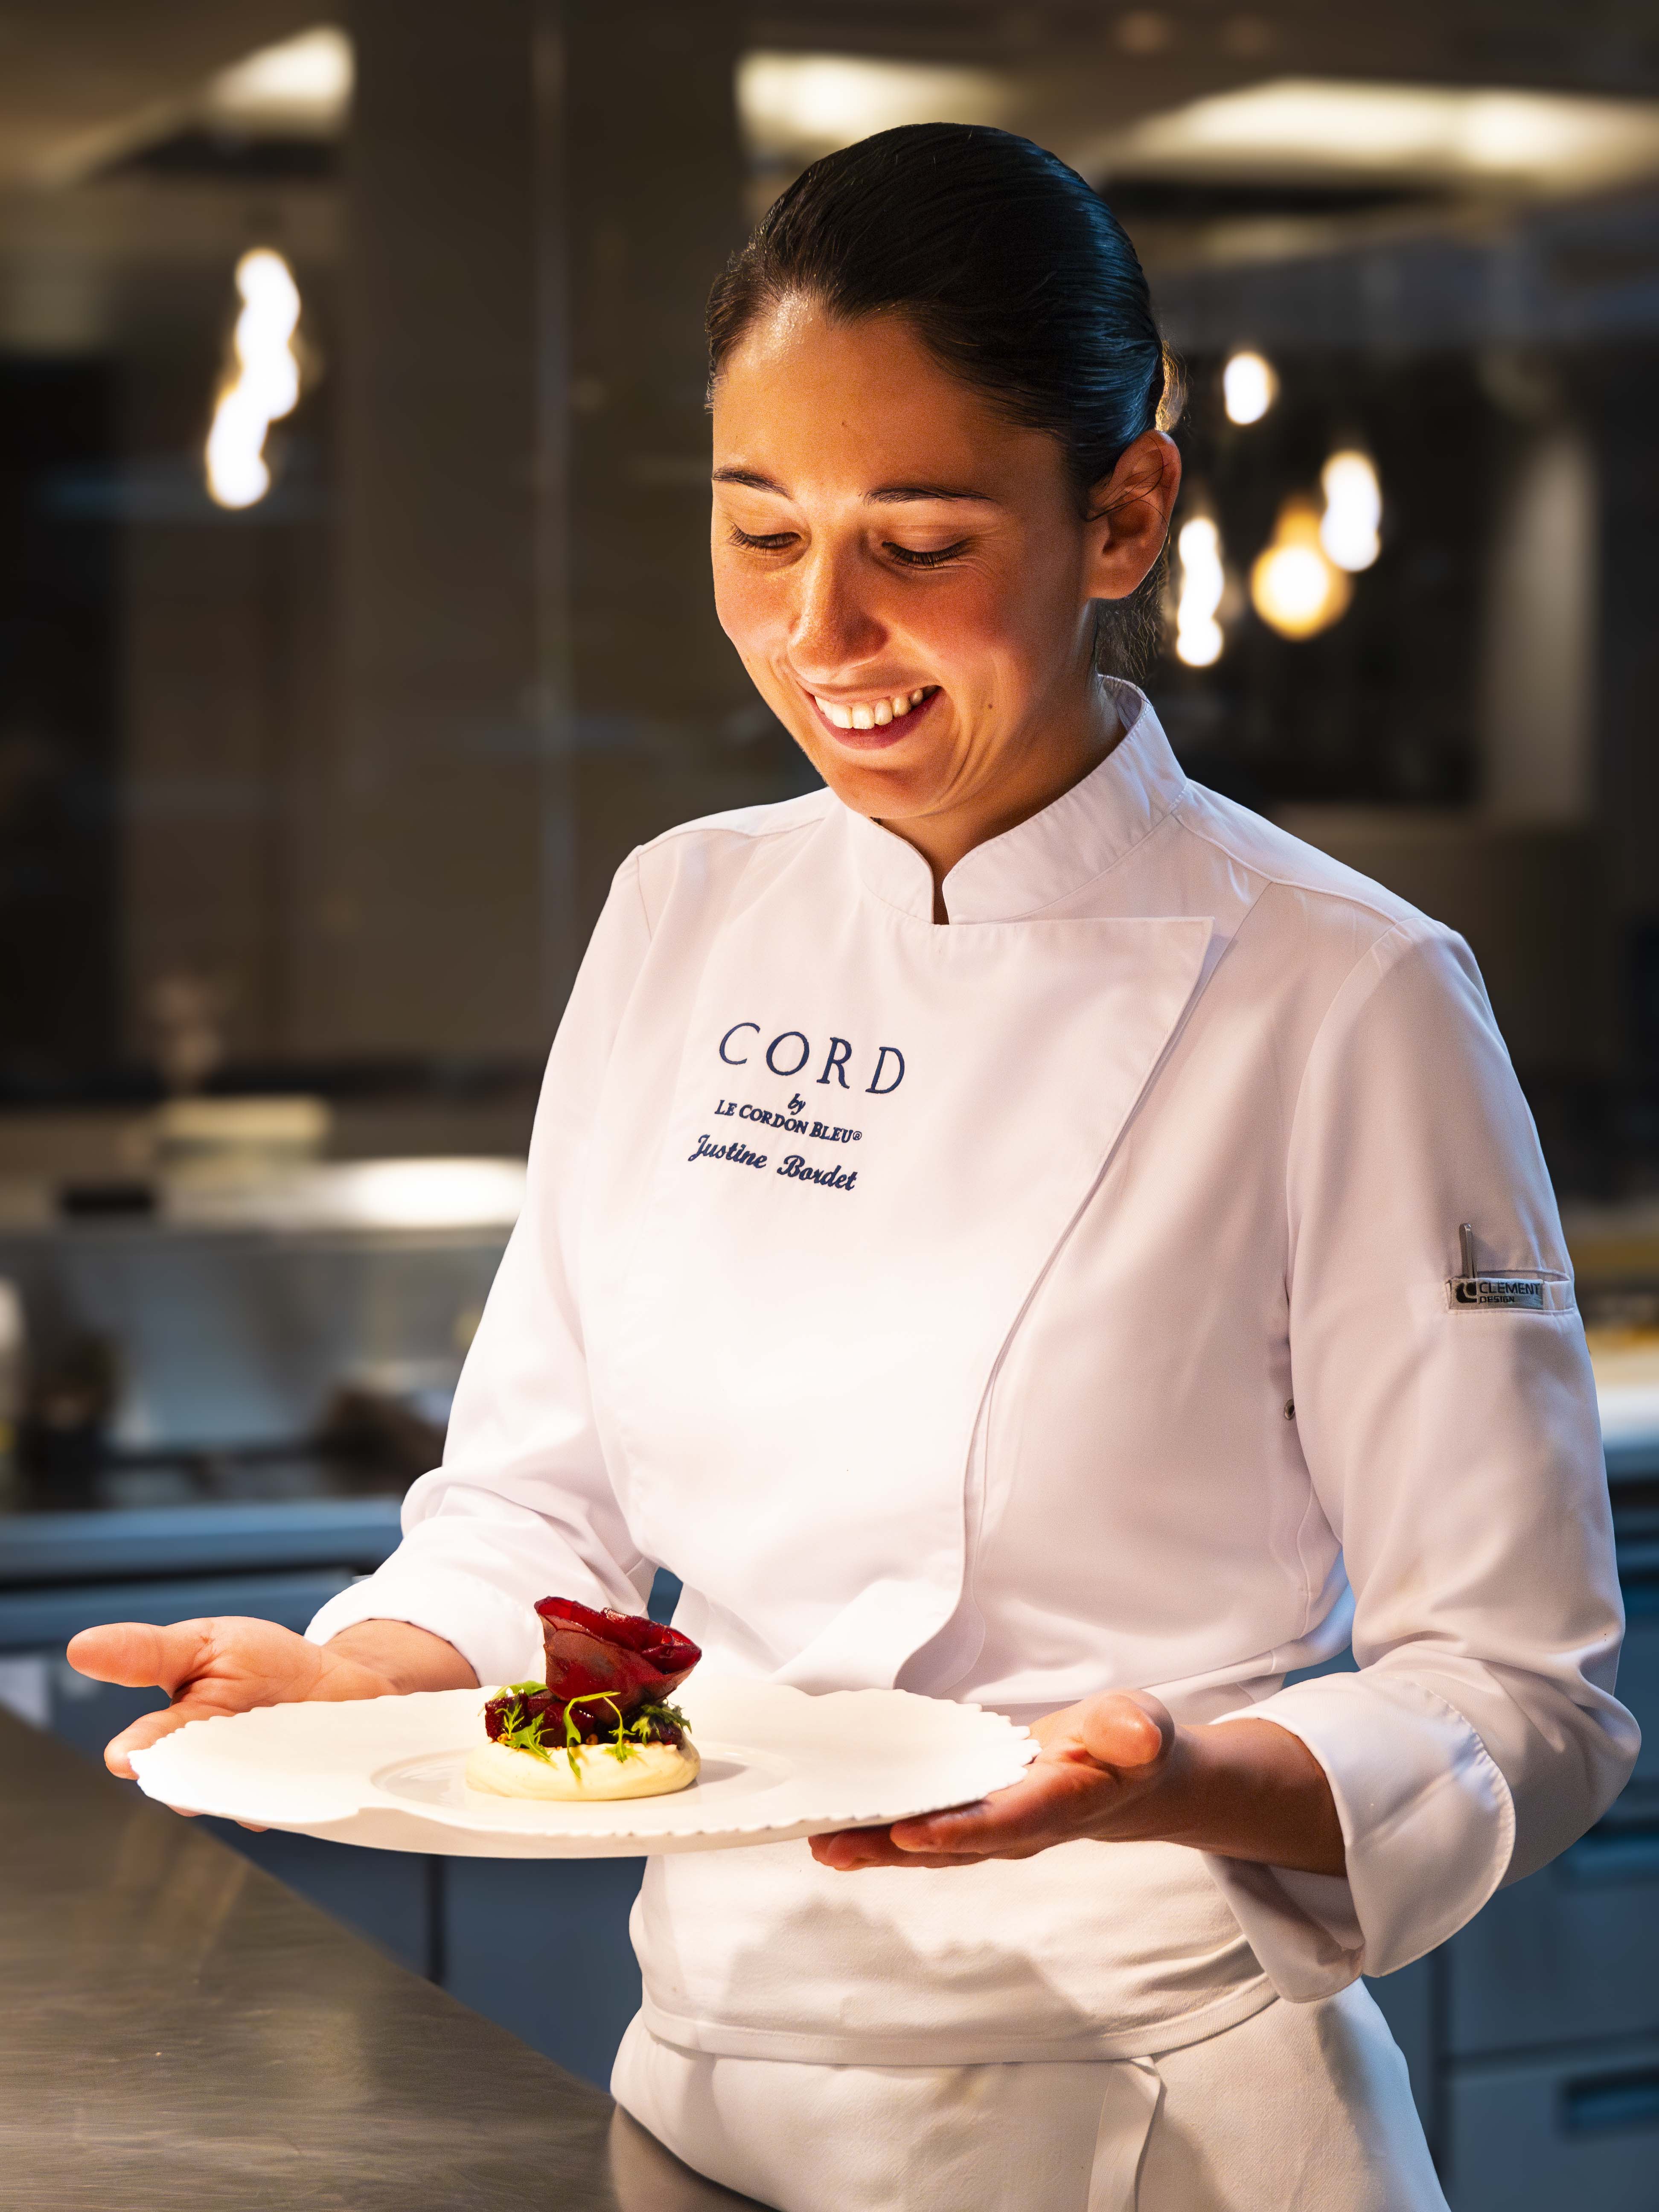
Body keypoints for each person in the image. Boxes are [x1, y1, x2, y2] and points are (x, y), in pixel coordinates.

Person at [71, 125, 1635, 2212]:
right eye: (759, 531)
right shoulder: (680, 912)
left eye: (916, 538)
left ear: (1124, 515)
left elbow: (1522, 1693)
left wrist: (1162, 1785)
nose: (823, 629)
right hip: (707, 2076)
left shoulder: (1345, 992)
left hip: (1150, 2105)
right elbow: (541, 1500)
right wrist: (364, 1670)